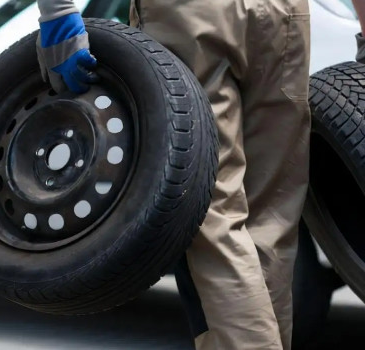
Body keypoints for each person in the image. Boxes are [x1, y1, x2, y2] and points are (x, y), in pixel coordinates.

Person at [35, 0, 365, 349]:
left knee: (208, 208)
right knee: (272, 215)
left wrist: (58, 15)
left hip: (190, 12)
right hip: (282, 12)